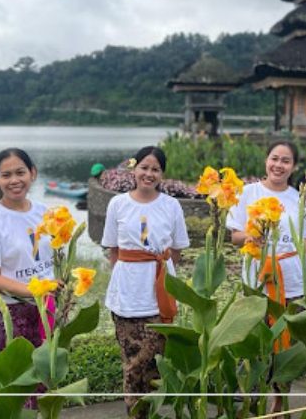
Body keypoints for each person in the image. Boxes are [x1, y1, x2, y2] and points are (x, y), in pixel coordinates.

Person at [227, 141, 306, 410]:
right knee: (255, 342)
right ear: (266, 160)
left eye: (285, 161)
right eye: (274, 158)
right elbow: (234, 237)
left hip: (293, 280)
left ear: (294, 166)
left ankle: (280, 406)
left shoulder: (299, 199)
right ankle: (250, 403)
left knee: (287, 348)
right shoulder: (247, 192)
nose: (279, 165)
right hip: (258, 280)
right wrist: (251, 236)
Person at [102, 146, 189, 419]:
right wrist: (127, 278)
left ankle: (151, 413)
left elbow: (175, 251)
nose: (149, 174)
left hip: (159, 293)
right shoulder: (118, 204)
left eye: (155, 169)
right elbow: (113, 250)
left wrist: (157, 270)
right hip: (126, 294)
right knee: (131, 364)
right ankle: (135, 414)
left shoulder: (171, 205)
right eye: (144, 167)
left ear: (162, 174)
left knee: (154, 365)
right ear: (134, 169)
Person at [0, 148, 57, 352]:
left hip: (47, 307)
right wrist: (36, 291)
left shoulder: (45, 213)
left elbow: (53, 258)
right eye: (6, 175)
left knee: (47, 373)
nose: (14, 180)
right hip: (8, 313)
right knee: (11, 378)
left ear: (32, 173)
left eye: (20, 173)